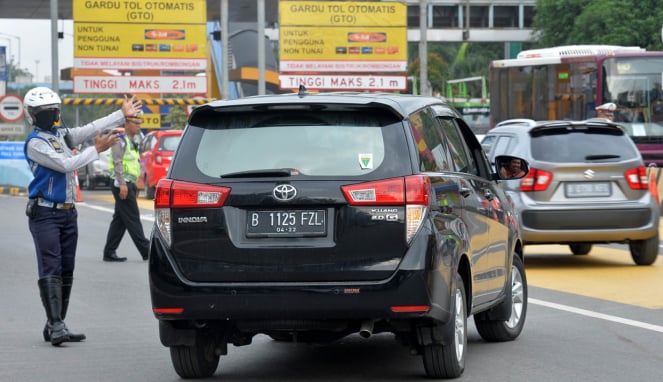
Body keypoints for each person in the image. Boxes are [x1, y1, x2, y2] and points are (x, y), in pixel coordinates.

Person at [24, 87, 143, 346]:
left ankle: (56, 323)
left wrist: (120, 114)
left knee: (67, 268)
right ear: (32, 115)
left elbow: (91, 127)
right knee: (51, 266)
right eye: (43, 112)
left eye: (52, 110)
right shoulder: (35, 143)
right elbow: (66, 165)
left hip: (68, 213)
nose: (50, 115)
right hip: (44, 213)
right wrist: (96, 150)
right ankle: (56, 325)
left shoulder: (63, 135)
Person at [102, 114, 150, 262]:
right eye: (136, 123)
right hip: (121, 184)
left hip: (128, 184)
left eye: (139, 123)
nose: (139, 125)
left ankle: (109, 252)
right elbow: (117, 163)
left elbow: (133, 165)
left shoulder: (131, 141)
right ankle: (147, 251)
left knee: (120, 220)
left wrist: (135, 184)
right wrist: (123, 184)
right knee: (133, 218)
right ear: (127, 124)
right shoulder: (120, 141)